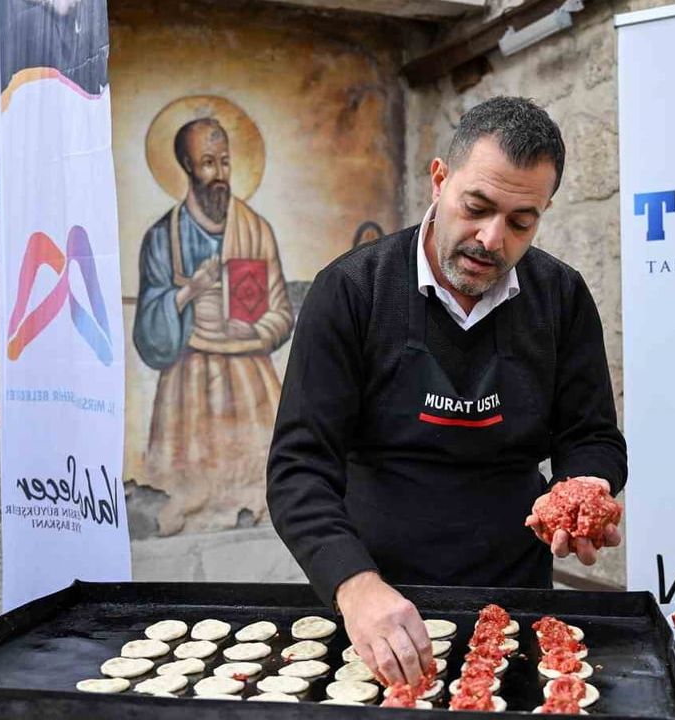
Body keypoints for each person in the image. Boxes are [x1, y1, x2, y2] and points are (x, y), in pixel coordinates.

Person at [267, 97, 625, 687]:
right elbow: (299, 468)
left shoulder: (561, 297)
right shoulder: (351, 291)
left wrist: (585, 486)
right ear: (439, 179)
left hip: (516, 595)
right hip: (376, 593)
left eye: (521, 222)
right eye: (476, 207)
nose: (491, 239)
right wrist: (353, 585)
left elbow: (591, 435)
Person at [134, 117, 293, 534]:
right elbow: (148, 329)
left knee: (262, 500)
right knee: (184, 505)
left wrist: (255, 331)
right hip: (187, 388)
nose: (220, 173)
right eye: (208, 162)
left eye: (224, 161)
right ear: (187, 166)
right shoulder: (162, 238)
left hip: (251, 384)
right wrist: (189, 292)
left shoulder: (256, 230)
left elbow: (282, 313)